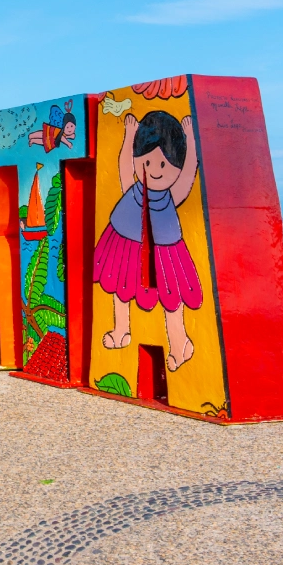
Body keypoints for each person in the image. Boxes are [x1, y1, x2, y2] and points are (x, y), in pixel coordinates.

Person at [92, 110, 203, 372]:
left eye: (163, 165)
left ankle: (180, 343)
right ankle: (121, 331)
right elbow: (125, 168)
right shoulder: (134, 190)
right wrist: (129, 135)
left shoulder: (170, 195)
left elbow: (188, 175)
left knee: (170, 296)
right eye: (147, 162)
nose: (153, 171)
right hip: (124, 240)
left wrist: (190, 138)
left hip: (163, 249)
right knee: (119, 286)